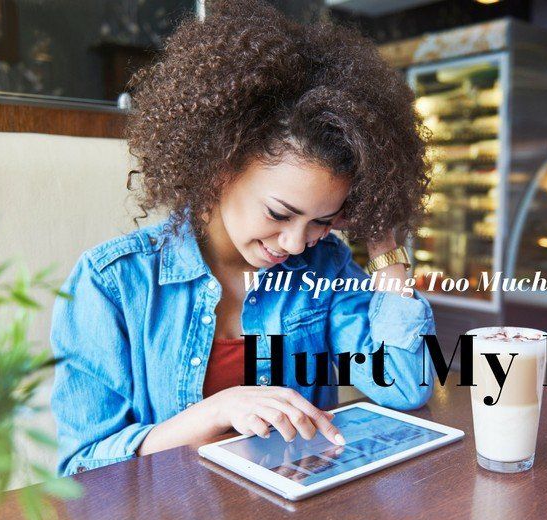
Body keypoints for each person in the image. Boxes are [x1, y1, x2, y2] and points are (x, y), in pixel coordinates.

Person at [50, 0, 435, 477]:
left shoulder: (324, 267)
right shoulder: (112, 284)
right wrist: (216, 411)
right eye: (279, 213)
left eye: (322, 221)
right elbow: (82, 466)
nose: (296, 243)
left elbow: (405, 384)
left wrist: (384, 242)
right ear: (218, 167)